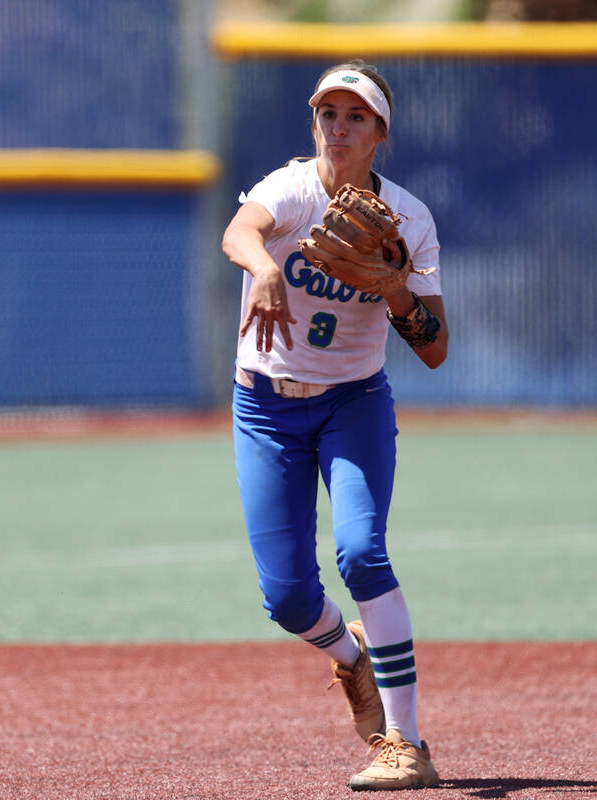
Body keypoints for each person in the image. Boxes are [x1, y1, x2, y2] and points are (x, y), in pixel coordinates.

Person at [221, 59, 449, 791]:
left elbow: (436, 347)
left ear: (380, 130)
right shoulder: (288, 188)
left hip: (352, 403)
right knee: (286, 597)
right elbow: (239, 231)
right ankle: (351, 659)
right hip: (264, 405)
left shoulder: (408, 221)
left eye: (356, 116)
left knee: (361, 554)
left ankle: (405, 745)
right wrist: (262, 267)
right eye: (329, 113)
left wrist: (396, 292)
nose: (339, 127)